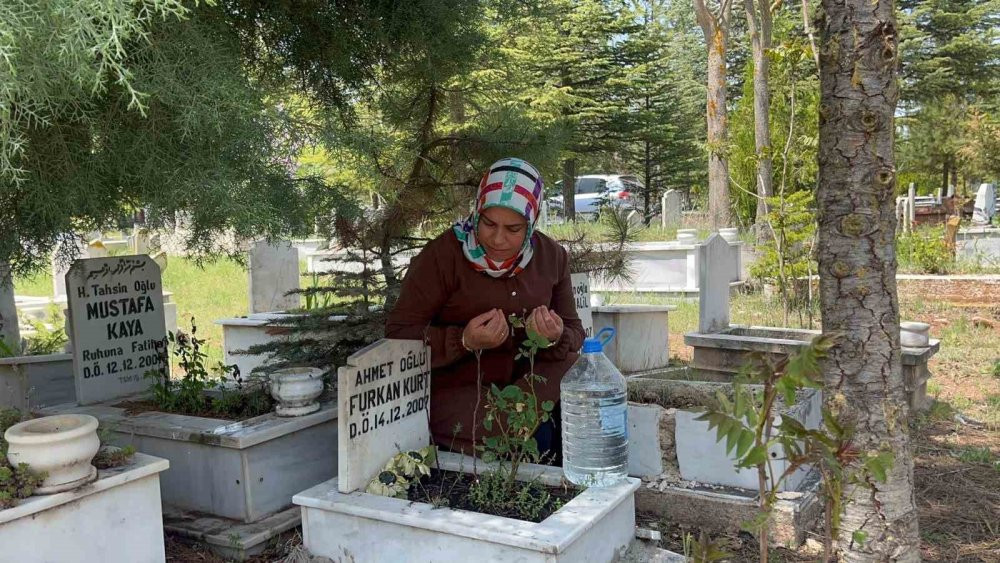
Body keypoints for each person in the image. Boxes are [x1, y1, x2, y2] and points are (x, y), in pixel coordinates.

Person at [385, 157, 585, 457]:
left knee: (576, 369)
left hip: (528, 383)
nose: (498, 238)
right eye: (488, 223)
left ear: (532, 222)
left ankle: (520, 433)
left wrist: (554, 336)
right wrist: (462, 341)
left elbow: (575, 332)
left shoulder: (551, 256)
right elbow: (398, 334)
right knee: (500, 427)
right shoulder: (442, 256)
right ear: (477, 209)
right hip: (459, 388)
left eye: (514, 228)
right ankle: (512, 437)